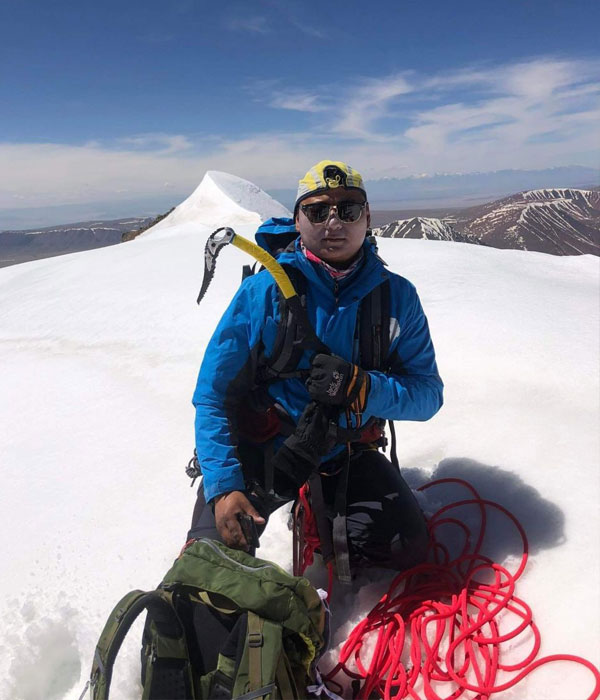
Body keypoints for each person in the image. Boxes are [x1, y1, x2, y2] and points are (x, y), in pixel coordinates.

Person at [189, 160, 443, 575]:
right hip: (265, 447)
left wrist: (363, 387)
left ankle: (315, 518)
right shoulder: (263, 292)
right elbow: (212, 395)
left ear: (368, 218)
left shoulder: (397, 298)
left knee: (401, 549)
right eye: (317, 210)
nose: (333, 222)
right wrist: (223, 486)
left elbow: (428, 394)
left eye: (348, 209)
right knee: (212, 567)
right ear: (297, 218)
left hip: (345, 447)